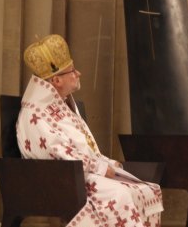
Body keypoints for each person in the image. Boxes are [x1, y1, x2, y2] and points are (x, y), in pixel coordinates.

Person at [17, 34, 163, 227]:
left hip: (79, 174)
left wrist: (107, 162)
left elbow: (82, 147)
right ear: (57, 81)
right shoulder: (36, 113)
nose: (78, 74)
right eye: (72, 71)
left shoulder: (63, 104)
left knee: (147, 190)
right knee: (121, 194)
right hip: (61, 179)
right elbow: (56, 152)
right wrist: (100, 168)